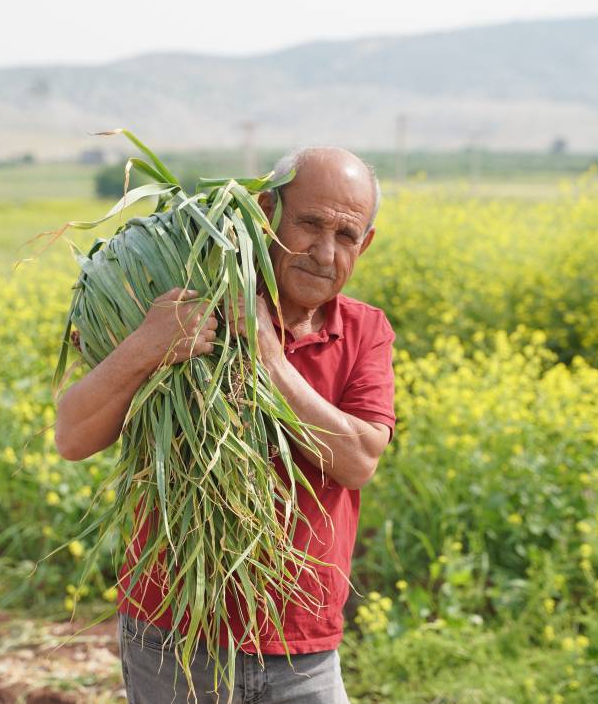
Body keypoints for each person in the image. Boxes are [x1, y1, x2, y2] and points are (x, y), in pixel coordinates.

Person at [55, 146, 397, 703]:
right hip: (174, 640)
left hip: (303, 649)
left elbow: (358, 461)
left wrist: (269, 359)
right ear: (265, 211)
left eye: (346, 236)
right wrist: (148, 345)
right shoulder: (187, 306)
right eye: (309, 225)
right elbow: (72, 436)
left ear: (366, 244)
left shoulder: (365, 331)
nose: (324, 252)